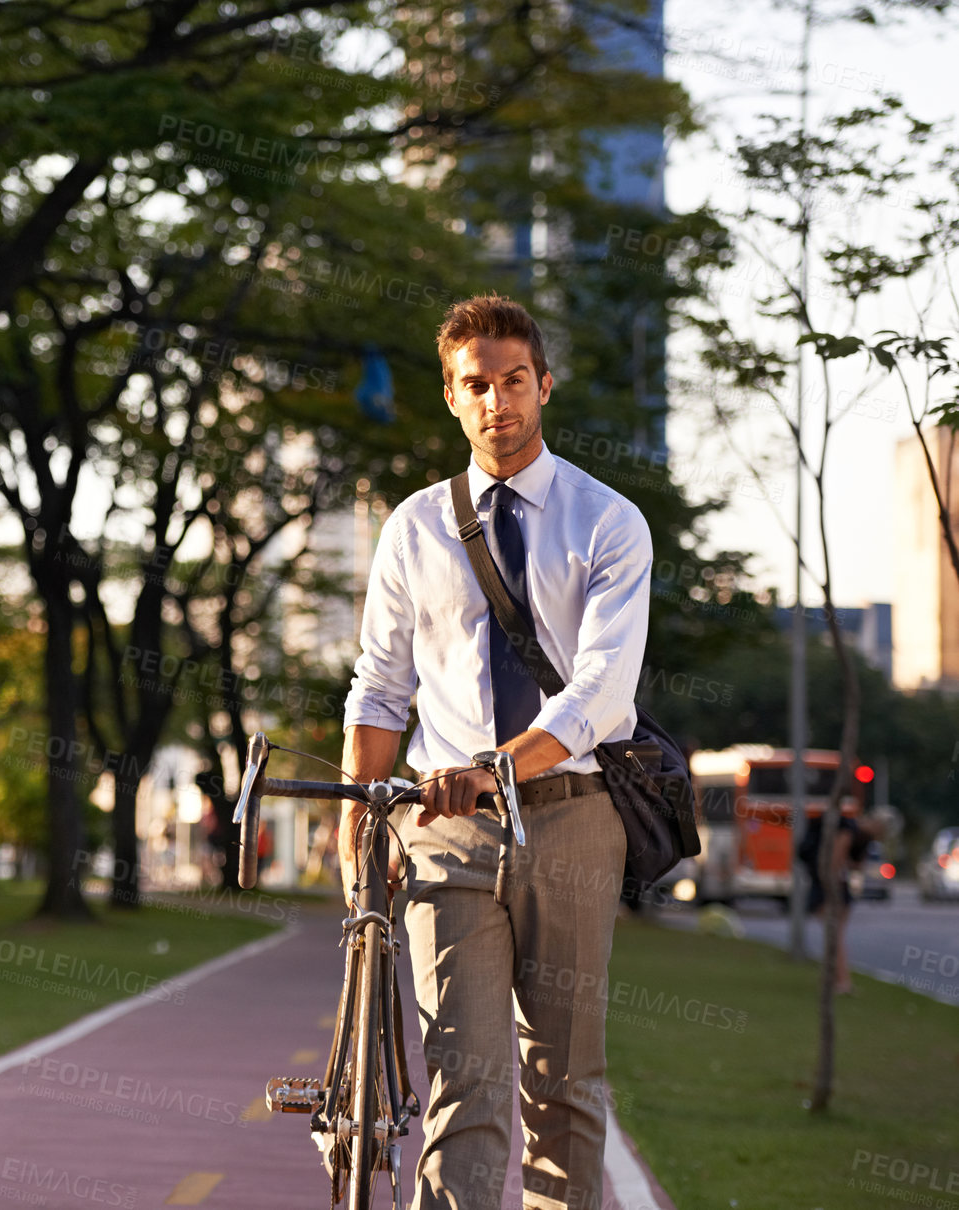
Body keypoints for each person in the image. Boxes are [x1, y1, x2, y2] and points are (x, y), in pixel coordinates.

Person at [341, 293, 652, 1210]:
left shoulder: (608, 522)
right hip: (447, 833)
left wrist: (499, 767)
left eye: (513, 380)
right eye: (475, 385)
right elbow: (380, 685)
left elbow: (603, 692)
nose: (496, 402)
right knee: (463, 1079)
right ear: (450, 396)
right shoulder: (412, 528)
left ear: (544, 385)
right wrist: (363, 816)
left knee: (563, 1083)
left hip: (574, 823)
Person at [798, 809, 880, 995]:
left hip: (830, 887)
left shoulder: (858, 836)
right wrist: (831, 887)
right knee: (835, 936)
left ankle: (834, 979)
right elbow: (836, 860)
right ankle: (841, 981)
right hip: (832, 888)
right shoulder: (847, 831)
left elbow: (852, 864)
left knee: (834, 936)